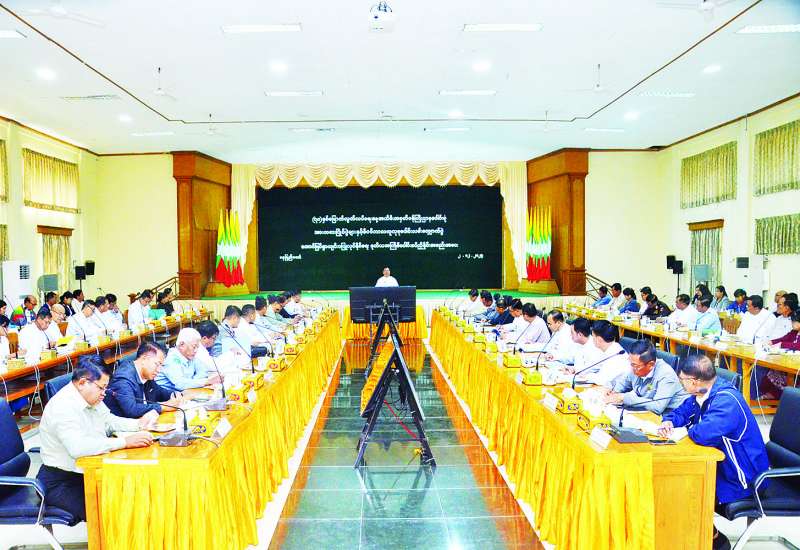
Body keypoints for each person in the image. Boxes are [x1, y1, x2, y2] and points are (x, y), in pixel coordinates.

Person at [659, 355, 769, 550]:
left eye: (682, 379)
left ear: (694, 381)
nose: (680, 383)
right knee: (674, 481)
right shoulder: (702, 393)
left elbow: (703, 434)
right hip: (724, 467)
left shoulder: (727, 401)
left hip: (743, 477)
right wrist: (669, 421)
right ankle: (689, 537)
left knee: (685, 486)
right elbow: (681, 413)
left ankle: (714, 540)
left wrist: (686, 429)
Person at [36, 356, 153, 523]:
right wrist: (125, 442)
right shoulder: (62, 407)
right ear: (83, 383)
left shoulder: (90, 397)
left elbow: (108, 421)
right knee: (116, 512)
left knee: (135, 493)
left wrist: (139, 424)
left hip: (88, 471)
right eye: (101, 388)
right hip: (61, 482)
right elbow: (78, 448)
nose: (104, 393)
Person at [603, 340, 688, 413]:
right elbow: (623, 382)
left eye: (635, 365)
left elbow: (658, 407)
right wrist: (612, 390)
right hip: (646, 410)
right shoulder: (636, 367)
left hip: (671, 414)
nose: (632, 368)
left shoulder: (666, 375)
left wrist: (625, 398)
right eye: (630, 363)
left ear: (650, 365)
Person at [105, 340, 181, 419]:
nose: (159, 370)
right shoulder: (123, 379)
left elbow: (159, 392)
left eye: (161, 365)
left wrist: (175, 394)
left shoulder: (147, 374)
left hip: (145, 421)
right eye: (157, 364)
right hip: (126, 424)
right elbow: (131, 410)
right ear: (144, 359)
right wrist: (163, 407)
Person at [155, 328, 222, 392]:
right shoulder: (171, 359)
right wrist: (206, 381)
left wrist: (192, 383)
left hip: (185, 392)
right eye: (194, 347)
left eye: (197, 347)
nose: (196, 350)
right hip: (168, 396)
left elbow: (202, 370)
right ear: (182, 345)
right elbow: (180, 384)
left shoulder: (189, 355)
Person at [570, 320, 628, 386]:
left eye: (593, 336)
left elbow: (602, 380)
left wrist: (587, 375)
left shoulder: (616, 355)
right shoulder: (611, 348)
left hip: (616, 389)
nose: (592, 339)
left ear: (599, 339)